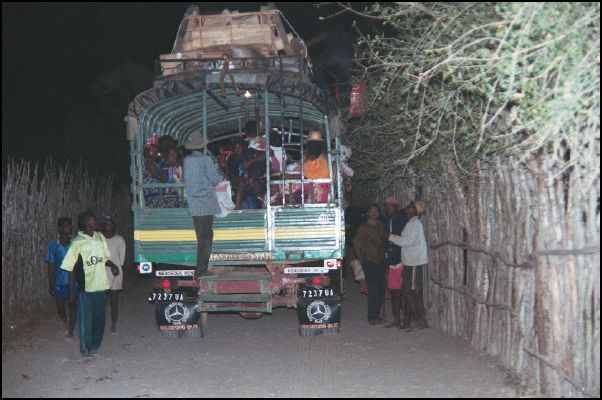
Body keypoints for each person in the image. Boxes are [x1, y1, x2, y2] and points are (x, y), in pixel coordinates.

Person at [60, 210, 119, 357]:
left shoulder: (99, 237)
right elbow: (70, 266)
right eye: (95, 220)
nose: (98, 221)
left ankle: (95, 346)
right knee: (86, 320)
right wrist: (71, 290)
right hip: (85, 288)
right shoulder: (77, 242)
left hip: (101, 285)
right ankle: (85, 350)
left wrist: (112, 265)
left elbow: (105, 257)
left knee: (100, 319)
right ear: (88, 223)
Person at [182, 130, 223, 278]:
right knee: (205, 239)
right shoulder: (205, 159)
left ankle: (201, 269)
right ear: (201, 146)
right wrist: (218, 168)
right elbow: (215, 180)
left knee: (202, 237)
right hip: (205, 203)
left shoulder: (186, 160)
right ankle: (200, 270)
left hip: (194, 204)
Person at [388, 201, 428, 330]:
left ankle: (420, 321)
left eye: (411, 208)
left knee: (411, 291)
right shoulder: (411, 223)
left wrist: (390, 237)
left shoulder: (415, 224)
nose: (407, 209)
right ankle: (418, 321)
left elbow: (408, 242)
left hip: (414, 261)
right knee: (409, 291)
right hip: (410, 261)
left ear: (416, 211)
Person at [353, 203, 388, 325]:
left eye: (376, 211)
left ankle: (379, 314)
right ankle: (372, 316)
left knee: (381, 289)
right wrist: (362, 260)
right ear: (368, 213)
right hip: (369, 261)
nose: (374, 213)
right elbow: (357, 245)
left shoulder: (381, 226)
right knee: (373, 289)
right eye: (371, 211)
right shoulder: (363, 228)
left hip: (381, 261)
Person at [45, 216, 78, 338]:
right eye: (66, 225)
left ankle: (71, 330)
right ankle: (65, 321)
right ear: (59, 228)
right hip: (59, 281)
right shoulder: (53, 245)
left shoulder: (75, 244)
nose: (69, 228)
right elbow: (51, 265)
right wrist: (51, 282)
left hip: (73, 281)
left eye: (70, 225)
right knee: (59, 308)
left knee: (72, 305)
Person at [382, 196, 408, 329]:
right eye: (386, 206)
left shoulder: (400, 220)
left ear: (396, 207)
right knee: (394, 291)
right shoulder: (390, 221)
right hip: (392, 261)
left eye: (390, 206)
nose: (388, 208)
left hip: (400, 260)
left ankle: (405, 319)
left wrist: (392, 246)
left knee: (400, 292)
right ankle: (398, 319)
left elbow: (404, 240)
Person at [101, 216, 126, 334]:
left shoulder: (120, 240)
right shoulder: (99, 240)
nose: (108, 227)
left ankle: (113, 325)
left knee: (114, 301)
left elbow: (121, 260)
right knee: (100, 300)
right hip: (101, 272)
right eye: (106, 224)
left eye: (110, 225)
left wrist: (117, 269)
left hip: (115, 273)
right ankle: (100, 323)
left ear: (114, 226)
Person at [303, 131, 330, 203]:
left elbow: (314, 177)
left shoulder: (325, 161)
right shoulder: (306, 163)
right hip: (307, 194)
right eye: (310, 145)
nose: (312, 148)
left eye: (315, 145)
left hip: (319, 196)